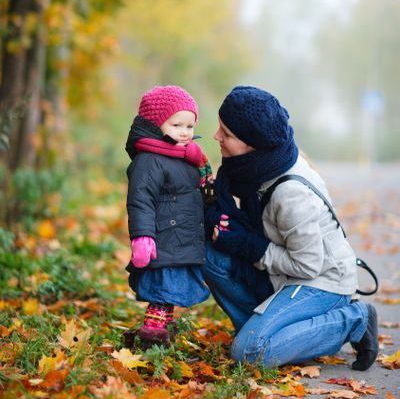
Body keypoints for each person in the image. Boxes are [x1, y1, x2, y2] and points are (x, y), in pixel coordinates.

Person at [202, 85, 379, 371]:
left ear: (253, 144)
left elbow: (308, 265)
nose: (216, 136)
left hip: (322, 283)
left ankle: (354, 319)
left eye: (227, 134)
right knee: (207, 253)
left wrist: (250, 245)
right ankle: (270, 332)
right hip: (283, 277)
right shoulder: (256, 167)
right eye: (220, 127)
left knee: (249, 353)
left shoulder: (290, 193)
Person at [123, 85, 212, 348]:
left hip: (180, 238)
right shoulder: (149, 160)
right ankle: (151, 340)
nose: (185, 133)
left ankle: (161, 334)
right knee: (163, 290)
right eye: (176, 125)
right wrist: (142, 236)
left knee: (169, 292)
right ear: (156, 124)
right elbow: (140, 199)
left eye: (190, 126)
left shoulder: (186, 157)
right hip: (163, 240)